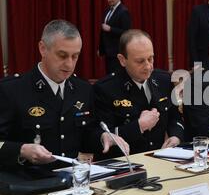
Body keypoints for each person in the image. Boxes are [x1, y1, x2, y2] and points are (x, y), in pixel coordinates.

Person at [0, 20, 129, 171]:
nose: (69, 64)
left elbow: (85, 135)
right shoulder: (12, 90)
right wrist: (21, 150)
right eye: (62, 55)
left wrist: (103, 137)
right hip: (27, 183)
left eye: (75, 56)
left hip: (70, 181)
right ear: (42, 48)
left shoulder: (83, 89)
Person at [94, 29, 184, 156]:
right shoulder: (105, 89)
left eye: (150, 58)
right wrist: (139, 126)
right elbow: (102, 135)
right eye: (140, 61)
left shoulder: (164, 80)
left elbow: (175, 117)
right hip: (125, 163)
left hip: (159, 159)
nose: (148, 66)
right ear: (122, 60)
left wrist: (176, 137)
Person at [99, 0, 132, 74]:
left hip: (117, 51)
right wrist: (101, 49)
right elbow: (103, 32)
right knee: (110, 75)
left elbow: (127, 32)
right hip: (108, 51)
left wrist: (111, 29)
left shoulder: (123, 11)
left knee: (117, 76)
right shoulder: (108, 11)